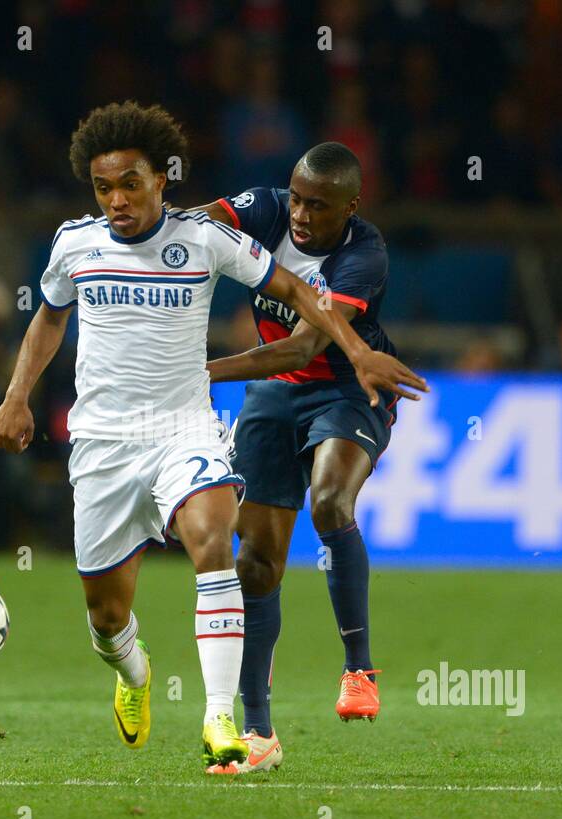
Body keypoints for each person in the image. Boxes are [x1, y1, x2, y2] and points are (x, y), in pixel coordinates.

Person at [0, 103, 422, 771]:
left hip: (209, 421)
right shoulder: (75, 243)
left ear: (163, 178)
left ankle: (229, 719)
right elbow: (49, 318)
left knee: (224, 538)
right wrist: (17, 396)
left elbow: (304, 306)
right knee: (111, 616)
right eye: (104, 188)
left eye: (132, 183)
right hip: (105, 440)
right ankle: (134, 674)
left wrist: (357, 353)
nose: (118, 200)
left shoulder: (248, 243)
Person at [190, 142, 427, 774]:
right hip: (272, 400)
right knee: (257, 563)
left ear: (350, 206)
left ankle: (358, 667)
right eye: (296, 198)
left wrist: (201, 370)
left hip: (350, 390)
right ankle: (259, 732)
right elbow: (190, 224)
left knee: (329, 501)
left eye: (317, 205)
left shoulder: (363, 254)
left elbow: (300, 349)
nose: (300, 214)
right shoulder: (264, 210)